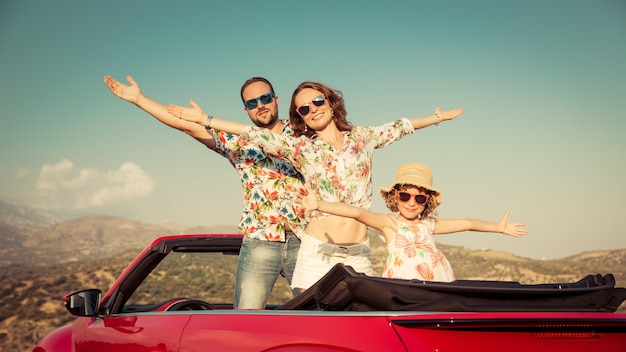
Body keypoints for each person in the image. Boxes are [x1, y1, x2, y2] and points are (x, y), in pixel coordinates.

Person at [168, 81, 464, 290]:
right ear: (300, 117)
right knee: (314, 325)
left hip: (358, 252)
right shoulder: (301, 148)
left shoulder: (363, 138)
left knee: (358, 327)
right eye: (304, 109)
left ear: (331, 103)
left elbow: (400, 127)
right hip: (316, 252)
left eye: (317, 102)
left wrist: (437, 118)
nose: (312, 109)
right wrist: (207, 119)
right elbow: (253, 134)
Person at [103, 75, 306, 308]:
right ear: (246, 110)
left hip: (306, 241)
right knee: (246, 320)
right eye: (252, 103)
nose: (260, 106)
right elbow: (186, 125)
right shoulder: (238, 141)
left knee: (321, 315)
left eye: (265, 98)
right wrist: (139, 99)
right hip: (260, 241)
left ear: (276, 99)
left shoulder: (303, 134)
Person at [295, 163, 528, 281]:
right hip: (403, 288)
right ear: (396, 197)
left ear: (427, 202)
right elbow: (355, 212)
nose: (411, 202)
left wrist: (498, 228)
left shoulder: (430, 225)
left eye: (419, 197)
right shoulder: (389, 224)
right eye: (405, 195)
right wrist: (320, 205)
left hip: (438, 284)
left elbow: (468, 223)